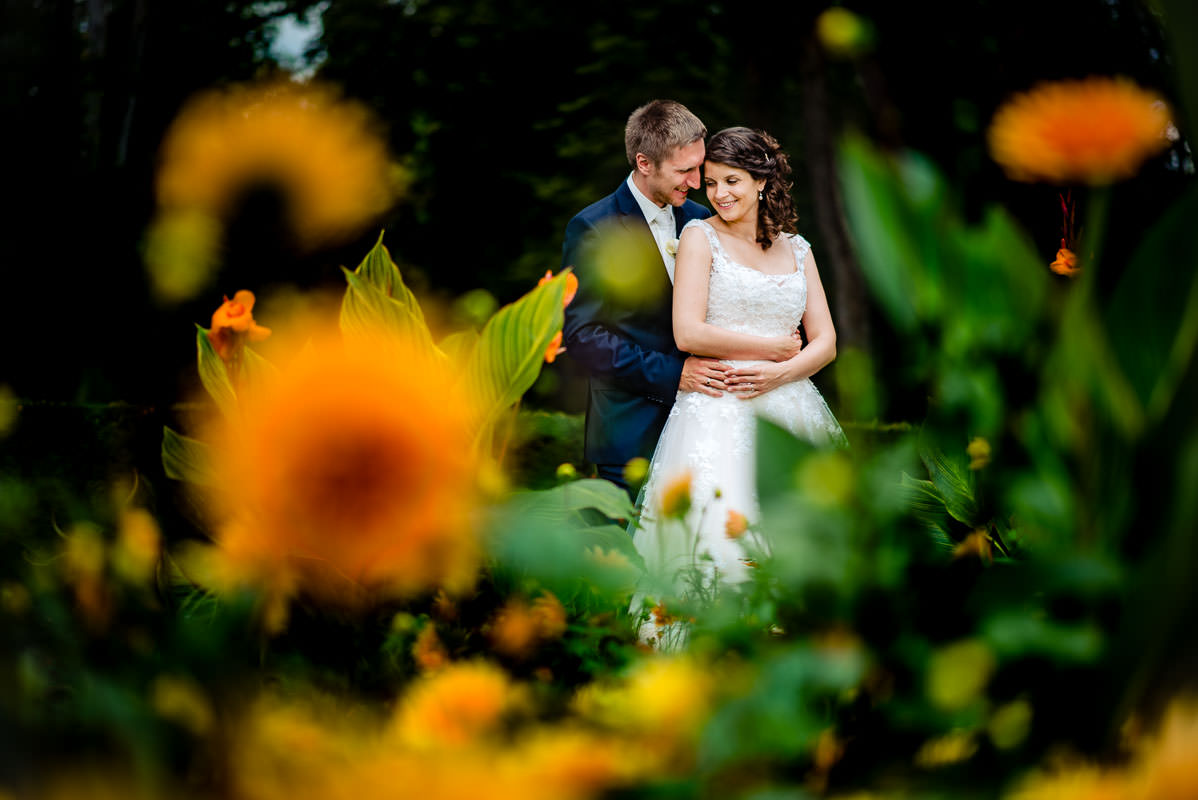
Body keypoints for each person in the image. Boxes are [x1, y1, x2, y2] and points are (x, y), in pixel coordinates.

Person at [630, 126, 847, 648]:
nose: (720, 193)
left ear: (763, 183)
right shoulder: (700, 238)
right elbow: (689, 331)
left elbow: (827, 341)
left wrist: (781, 372)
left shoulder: (799, 250)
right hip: (716, 411)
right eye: (711, 183)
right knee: (716, 540)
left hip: (791, 405)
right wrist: (768, 348)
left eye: (732, 181)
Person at [562, 100, 755, 497]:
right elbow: (583, 337)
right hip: (631, 433)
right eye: (685, 171)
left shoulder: (702, 220)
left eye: (699, 167)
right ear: (644, 163)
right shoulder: (594, 228)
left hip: (706, 429)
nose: (698, 182)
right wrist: (674, 374)